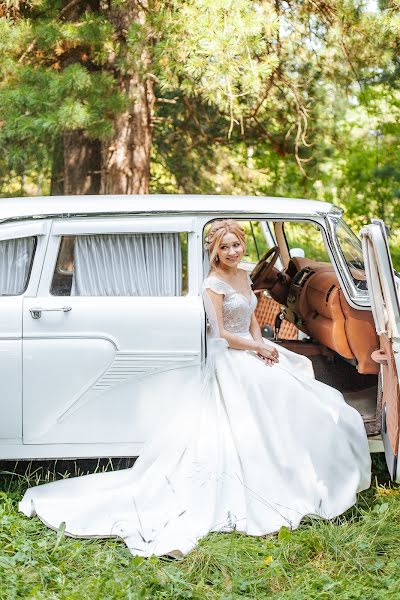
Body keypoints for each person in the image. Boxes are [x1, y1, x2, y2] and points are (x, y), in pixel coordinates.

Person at [19, 219, 371, 558]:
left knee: (314, 394)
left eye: (236, 244)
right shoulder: (212, 285)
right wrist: (257, 348)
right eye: (225, 246)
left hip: (251, 351)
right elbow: (220, 335)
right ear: (214, 251)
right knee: (287, 396)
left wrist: (263, 345)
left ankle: (304, 472)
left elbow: (250, 319)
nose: (232, 251)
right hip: (231, 358)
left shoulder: (245, 277)